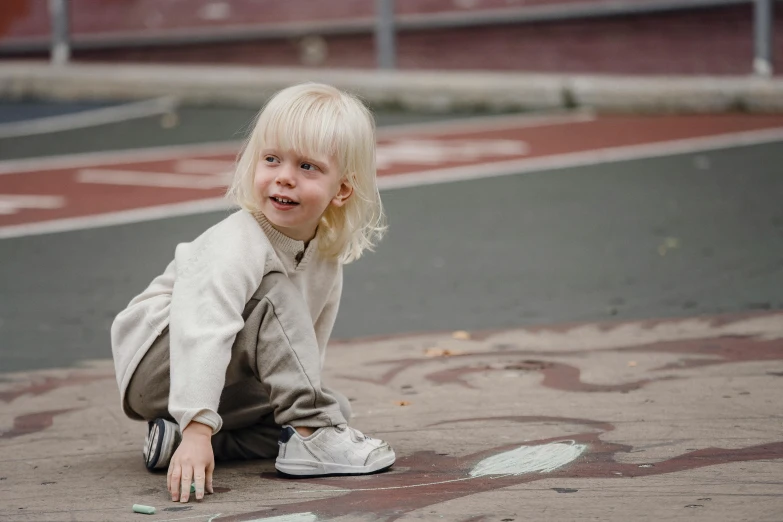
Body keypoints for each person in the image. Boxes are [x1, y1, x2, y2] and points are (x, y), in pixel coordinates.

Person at [110, 83, 395, 504]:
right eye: (272, 159)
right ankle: (308, 436)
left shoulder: (323, 253)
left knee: (333, 407)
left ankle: (175, 444)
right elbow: (202, 328)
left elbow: (303, 349)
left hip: (222, 372)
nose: (284, 176)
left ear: (342, 190)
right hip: (160, 362)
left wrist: (193, 436)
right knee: (274, 298)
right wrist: (197, 427)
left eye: (308, 167)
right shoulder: (237, 243)